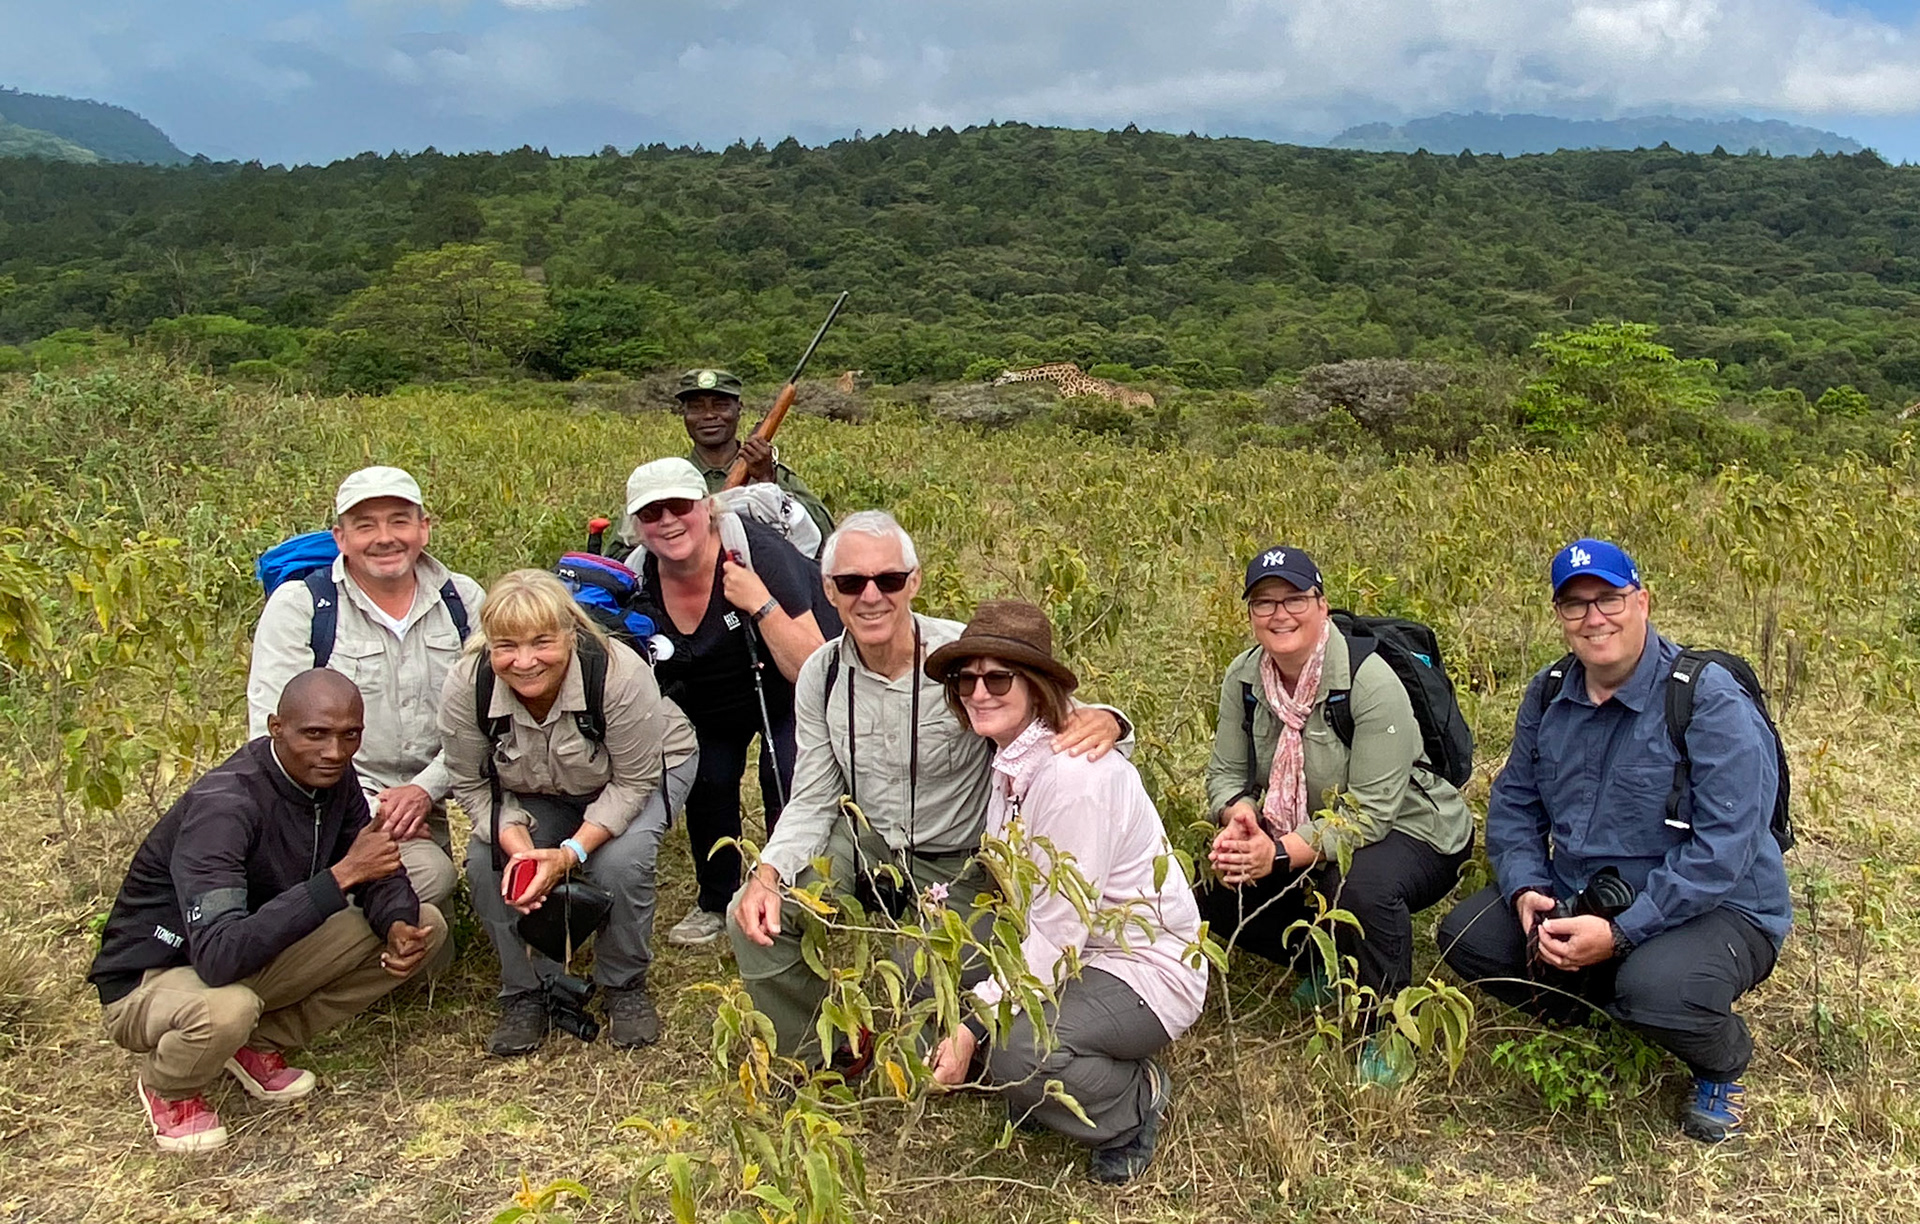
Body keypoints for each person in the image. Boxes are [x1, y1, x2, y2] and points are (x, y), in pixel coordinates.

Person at [728, 511, 1131, 1064]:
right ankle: (817, 1053)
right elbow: (814, 797)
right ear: (829, 590)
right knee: (757, 914)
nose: (871, 597)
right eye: (851, 583)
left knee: (921, 1018)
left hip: (959, 861)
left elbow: (1057, 711)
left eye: (888, 580)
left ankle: (946, 995)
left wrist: (1107, 720)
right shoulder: (821, 674)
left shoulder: (959, 659)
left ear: (913, 582)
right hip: (866, 845)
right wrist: (769, 873)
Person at [1437, 538, 1790, 1142]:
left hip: (1719, 906)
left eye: (1609, 598)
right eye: (1575, 606)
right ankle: (1613, 1007)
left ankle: (1719, 1060)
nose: (1593, 618)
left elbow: (1723, 848)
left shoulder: (1705, 699)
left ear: (1642, 601)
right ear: (1559, 617)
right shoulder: (1548, 692)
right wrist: (1527, 887)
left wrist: (1624, 932)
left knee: (1656, 990)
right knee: (1465, 939)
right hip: (1589, 897)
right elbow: (1515, 803)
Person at [89, 670, 446, 1153]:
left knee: (426, 924)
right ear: (276, 727)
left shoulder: (332, 782)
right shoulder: (225, 807)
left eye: (350, 735)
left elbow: (377, 873)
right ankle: (167, 1086)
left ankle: (257, 1043)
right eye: (315, 734)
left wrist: (397, 922)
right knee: (225, 1009)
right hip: (155, 975)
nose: (335, 752)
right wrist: (340, 876)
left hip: (243, 952)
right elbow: (218, 956)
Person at [923, 601, 1206, 1185]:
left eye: (997, 677)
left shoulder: (1073, 777)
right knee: (925, 963)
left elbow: (1059, 933)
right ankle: (1044, 1076)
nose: (978, 691)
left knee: (1016, 1053)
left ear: (1035, 686)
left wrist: (972, 1025)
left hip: (1139, 963)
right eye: (965, 677)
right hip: (1064, 944)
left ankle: (1132, 1102)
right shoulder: (1017, 754)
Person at [1202, 546, 1473, 1085]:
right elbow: (1225, 775)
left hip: (1413, 828)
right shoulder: (1245, 677)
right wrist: (1240, 820)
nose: (1280, 615)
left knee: (1357, 885)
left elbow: (1368, 816)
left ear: (1321, 605)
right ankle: (1326, 966)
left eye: (1295, 599)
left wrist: (1274, 854)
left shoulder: (1368, 681)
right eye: (1264, 603)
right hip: (1299, 823)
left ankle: (1388, 1029)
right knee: (1211, 890)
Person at [439, 570, 700, 1055]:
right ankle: (526, 990)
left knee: (620, 862)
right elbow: (471, 784)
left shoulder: (618, 673)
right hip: (537, 785)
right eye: (506, 646)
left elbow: (634, 781)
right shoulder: (465, 684)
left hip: (640, 770)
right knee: (486, 861)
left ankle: (624, 985)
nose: (523, 661)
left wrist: (568, 854)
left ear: (571, 633)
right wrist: (521, 850)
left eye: (541, 642)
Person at [619, 457, 841, 949]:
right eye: (651, 514)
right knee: (709, 776)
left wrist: (759, 601)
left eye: (679, 506)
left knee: (785, 770)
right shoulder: (636, 578)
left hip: (785, 687)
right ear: (637, 526)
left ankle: (792, 890)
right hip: (708, 694)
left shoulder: (760, 555)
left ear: (708, 506)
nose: (668, 521)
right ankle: (716, 899)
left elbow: (810, 664)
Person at [247, 465, 485, 909]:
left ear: (424, 528)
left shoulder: (464, 600)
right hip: (329, 800)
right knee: (425, 886)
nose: (384, 537)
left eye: (399, 520)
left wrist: (423, 791)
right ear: (340, 538)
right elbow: (269, 731)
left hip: (427, 791)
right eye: (365, 525)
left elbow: (484, 717)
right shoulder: (301, 606)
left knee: (433, 929)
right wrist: (374, 808)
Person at [678, 367, 834, 544]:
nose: (709, 415)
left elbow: (824, 531)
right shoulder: (672, 477)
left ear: (739, 409)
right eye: (696, 407)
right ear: (684, 413)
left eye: (720, 405)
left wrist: (768, 484)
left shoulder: (773, 473)